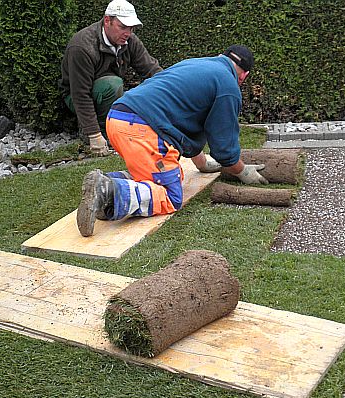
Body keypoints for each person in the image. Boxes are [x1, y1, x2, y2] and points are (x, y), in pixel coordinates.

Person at [76, 44, 268, 237]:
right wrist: (243, 171)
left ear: (222, 56)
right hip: (143, 128)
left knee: (173, 175)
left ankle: (104, 186)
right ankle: (106, 191)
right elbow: (224, 146)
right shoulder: (228, 86)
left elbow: (185, 122)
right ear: (244, 75)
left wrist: (202, 164)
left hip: (118, 118)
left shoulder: (195, 64)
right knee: (170, 196)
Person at [60, 0, 162, 156]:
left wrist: (174, 92)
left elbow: (151, 70)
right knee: (112, 85)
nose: (128, 33)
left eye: (131, 28)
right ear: (107, 21)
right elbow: (80, 95)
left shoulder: (129, 40)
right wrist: (93, 134)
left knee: (135, 90)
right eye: (122, 27)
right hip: (75, 97)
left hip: (108, 91)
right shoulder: (82, 47)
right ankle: (100, 131)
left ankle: (115, 126)